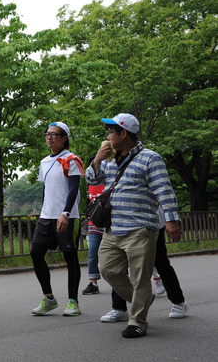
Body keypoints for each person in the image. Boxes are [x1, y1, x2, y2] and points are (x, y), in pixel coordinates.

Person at [86, 113, 183, 338]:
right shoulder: (109, 159)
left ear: (123, 134)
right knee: (107, 269)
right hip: (113, 227)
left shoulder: (150, 158)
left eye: (111, 132)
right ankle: (144, 298)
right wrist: (97, 160)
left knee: (141, 277)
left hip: (141, 227)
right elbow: (93, 180)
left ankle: (137, 321)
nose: (108, 136)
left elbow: (164, 190)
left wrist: (171, 220)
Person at [29, 122, 83, 316]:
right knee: (36, 253)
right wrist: (44, 211)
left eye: (54, 134)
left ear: (64, 138)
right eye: (47, 134)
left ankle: (73, 301)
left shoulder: (71, 159)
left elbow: (73, 189)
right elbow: (46, 190)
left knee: (70, 257)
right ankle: (49, 298)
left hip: (67, 216)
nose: (49, 137)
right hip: (46, 216)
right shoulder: (44, 162)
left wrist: (65, 213)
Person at [101, 206, 189, 323]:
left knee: (160, 262)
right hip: (121, 222)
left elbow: (164, 194)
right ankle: (119, 307)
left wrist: (171, 220)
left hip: (149, 223)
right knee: (118, 268)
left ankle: (178, 301)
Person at [83, 164, 105, 295]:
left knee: (122, 253)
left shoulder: (109, 182)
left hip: (109, 223)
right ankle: (93, 283)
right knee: (92, 252)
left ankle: (125, 280)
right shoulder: (89, 185)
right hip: (93, 223)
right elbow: (89, 204)